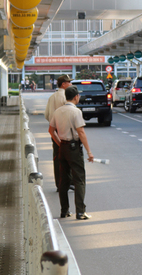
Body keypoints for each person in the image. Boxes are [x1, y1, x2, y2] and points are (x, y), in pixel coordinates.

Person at [49, 86, 94, 220]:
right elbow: (81, 132)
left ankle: (64, 211)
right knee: (79, 179)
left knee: (64, 180)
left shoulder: (57, 111)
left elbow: (51, 130)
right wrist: (89, 152)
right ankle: (80, 212)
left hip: (62, 147)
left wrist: (60, 143)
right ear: (76, 97)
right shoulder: (76, 112)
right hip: (74, 148)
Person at [44, 75, 74, 190]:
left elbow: (46, 114)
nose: (71, 84)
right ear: (63, 84)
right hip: (66, 130)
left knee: (57, 156)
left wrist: (53, 123)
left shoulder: (52, 97)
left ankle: (59, 184)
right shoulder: (66, 97)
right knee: (69, 156)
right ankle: (69, 182)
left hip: (55, 130)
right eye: (69, 82)